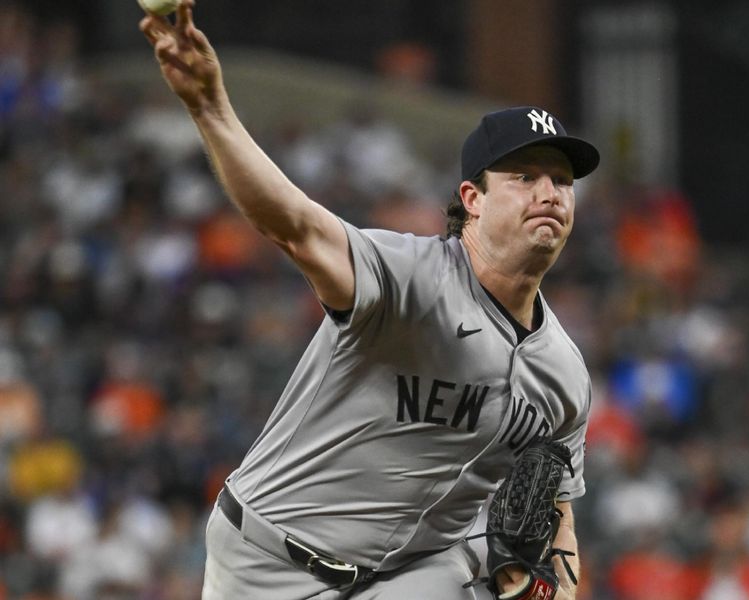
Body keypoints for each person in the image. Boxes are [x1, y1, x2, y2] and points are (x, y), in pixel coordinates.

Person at [139, 2, 600, 599]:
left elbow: (557, 509)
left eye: (562, 181)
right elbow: (294, 225)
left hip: (412, 576)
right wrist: (209, 107)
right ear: (474, 198)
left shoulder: (563, 371)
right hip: (271, 562)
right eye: (525, 176)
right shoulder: (409, 278)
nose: (550, 193)